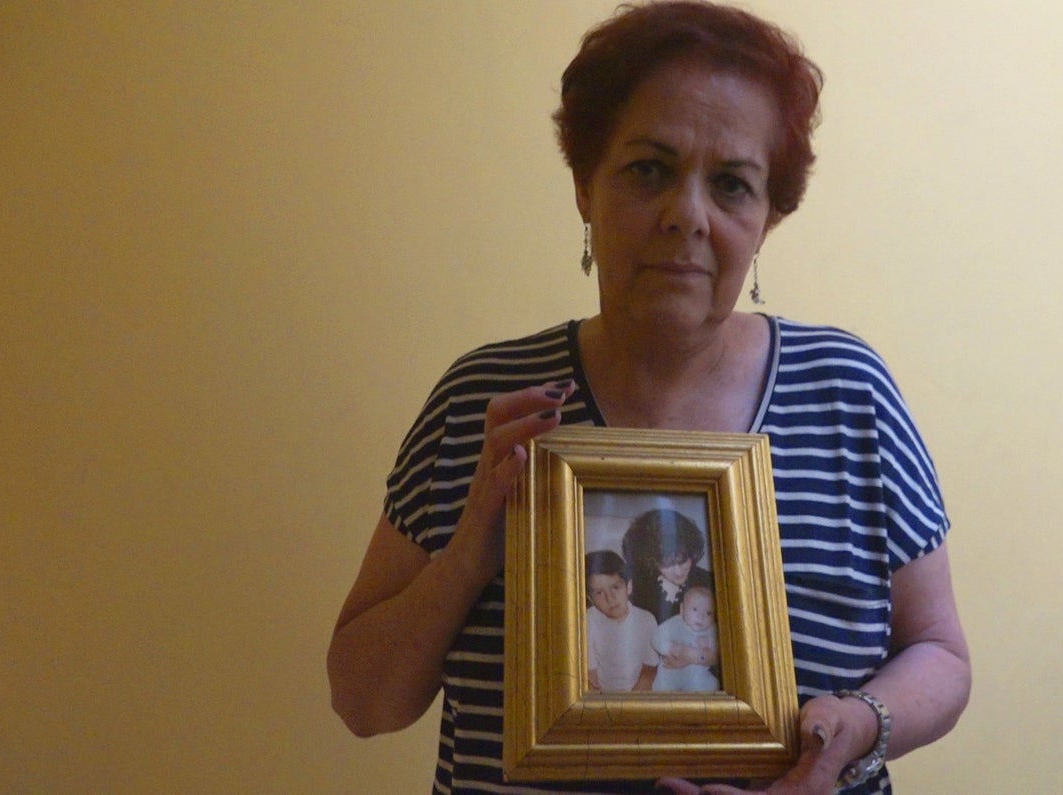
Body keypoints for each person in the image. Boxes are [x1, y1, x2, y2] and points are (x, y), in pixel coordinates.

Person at [327, 2, 971, 793]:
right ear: (584, 186)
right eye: (649, 170)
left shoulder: (850, 394)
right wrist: (471, 551)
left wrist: (858, 723)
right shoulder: (483, 403)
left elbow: (942, 654)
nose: (687, 217)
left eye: (732, 184)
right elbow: (363, 700)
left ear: (767, 217)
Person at [622, 508, 714, 625]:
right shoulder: (637, 588)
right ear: (651, 561)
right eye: (667, 564)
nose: (678, 570)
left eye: (683, 560)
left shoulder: (709, 583)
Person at [584, 550, 660, 692]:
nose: (610, 598)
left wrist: (632, 701)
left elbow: (649, 670)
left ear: (628, 586)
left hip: (636, 691)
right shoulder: (589, 619)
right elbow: (589, 669)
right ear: (590, 599)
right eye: (599, 593)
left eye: (615, 587)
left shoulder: (646, 620)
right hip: (602, 694)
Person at [651, 584, 719, 693]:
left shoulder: (712, 629)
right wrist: (670, 648)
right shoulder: (675, 623)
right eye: (695, 609)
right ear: (682, 609)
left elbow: (718, 655)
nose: (701, 616)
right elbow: (657, 637)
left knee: (712, 685)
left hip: (697, 676)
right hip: (670, 672)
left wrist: (707, 647)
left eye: (708, 613)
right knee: (662, 687)